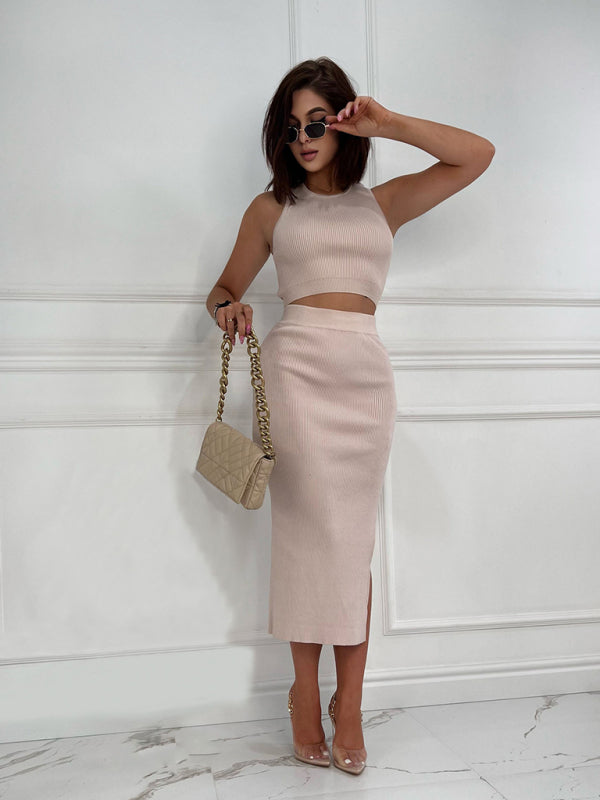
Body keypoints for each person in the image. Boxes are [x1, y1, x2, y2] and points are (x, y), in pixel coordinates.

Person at [206, 57, 494, 775]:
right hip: (296, 372)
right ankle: (305, 693)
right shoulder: (270, 209)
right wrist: (229, 308)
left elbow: (477, 155)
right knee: (309, 539)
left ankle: (352, 703)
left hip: (364, 378)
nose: (303, 138)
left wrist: (388, 123)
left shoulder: (382, 204)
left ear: (341, 125)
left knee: (351, 544)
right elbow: (223, 288)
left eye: (316, 123)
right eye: (291, 127)